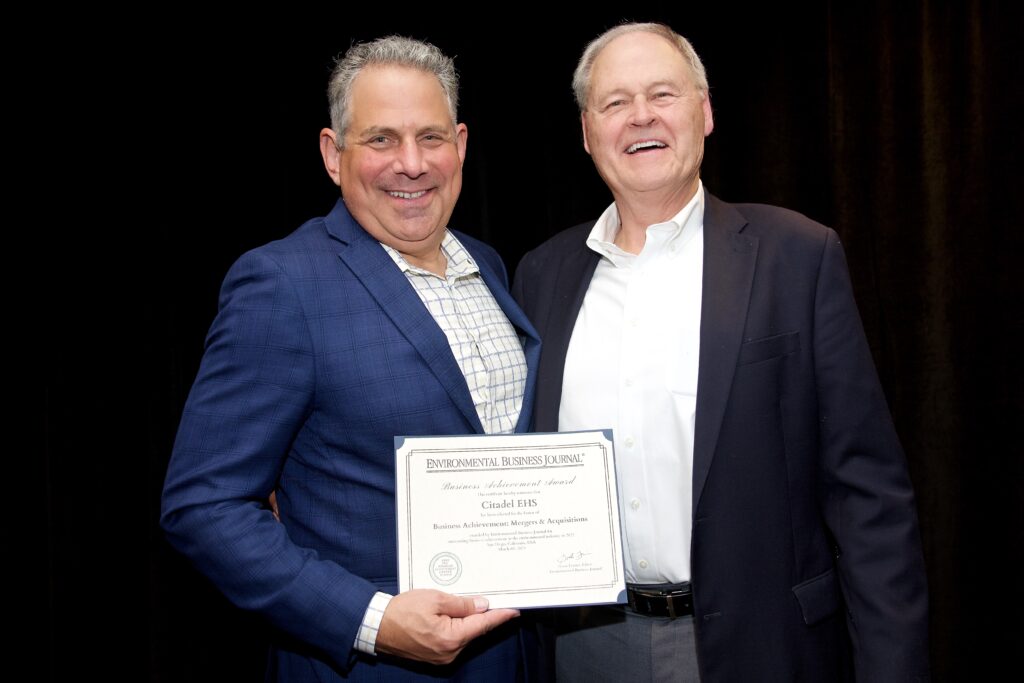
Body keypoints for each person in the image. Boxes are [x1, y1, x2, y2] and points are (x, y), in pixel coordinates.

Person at [513, 22, 929, 682]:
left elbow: (867, 493)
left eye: (663, 94)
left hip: (763, 647)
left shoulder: (798, 256)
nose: (641, 116)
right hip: (585, 646)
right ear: (588, 133)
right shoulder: (541, 275)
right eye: (615, 102)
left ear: (704, 113)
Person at [161, 35, 541, 681]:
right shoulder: (283, 284)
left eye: (431, 137)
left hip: (516, 653)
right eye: (382, 139)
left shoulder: (491, 264)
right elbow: (204, 504)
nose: (412, 163)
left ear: (462, 145)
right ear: (334, 155)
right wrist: (371, 618)